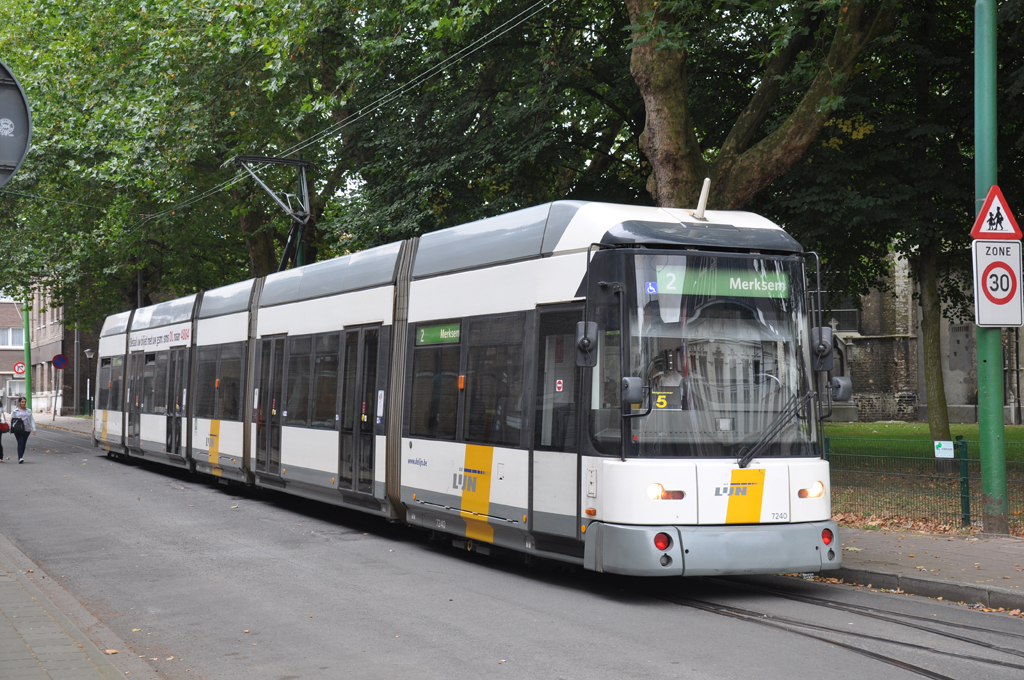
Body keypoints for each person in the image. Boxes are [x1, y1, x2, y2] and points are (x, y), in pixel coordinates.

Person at [11, 397, 36, 464]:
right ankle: (20, 457)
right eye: (22, 402)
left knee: (23, 443)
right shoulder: (15, 411)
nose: (24, 403)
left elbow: (31, 419)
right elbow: (12, 420)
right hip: (18, 429)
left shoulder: (28, 410)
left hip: (27, 429)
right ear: (19, 402)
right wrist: (17, 418)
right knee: (20, 442)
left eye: (25, 402)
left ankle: (21, 455)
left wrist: (34, 428)